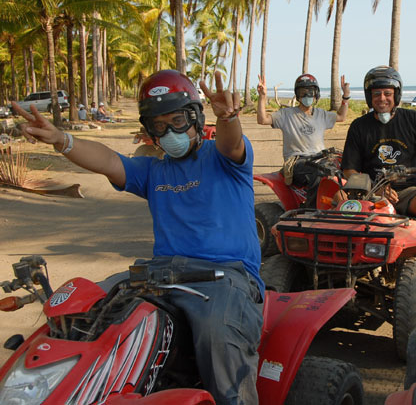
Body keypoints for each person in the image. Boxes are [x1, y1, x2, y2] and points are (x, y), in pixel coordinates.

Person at [12, 69, 264, 405]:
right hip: (158, 274)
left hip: (226, 276)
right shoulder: (153, 171)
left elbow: (232, 143)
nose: (169, 131)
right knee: (82, 309)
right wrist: (62, 140)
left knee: (219, 336)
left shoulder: (222, 158)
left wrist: (229, 117)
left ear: (196, 118)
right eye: (159, 126)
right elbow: (107, 160)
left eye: (177, 120)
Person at [341, 65, 416, 231]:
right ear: (369, 97)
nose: (382, 98)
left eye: (388, 93)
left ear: (396, 95)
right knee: (338, 198)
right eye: (376, 94)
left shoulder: (413, 119)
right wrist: (376, 189)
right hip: (371, 192)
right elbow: (349, 170)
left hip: (410, 192)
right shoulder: (359, 126)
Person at [256, 73, 349, 207]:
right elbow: (262, 120)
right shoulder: (285, 114)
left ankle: (348, 206)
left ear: (316, 94)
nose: (307, 96)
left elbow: (341, 116)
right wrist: (262, 96)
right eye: (302, 92)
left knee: (346, 167)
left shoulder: (321, 114)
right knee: (319, 172)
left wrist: (345, 96)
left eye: (310, 92)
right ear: (297, 95)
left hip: (321, 159)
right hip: (296, 162)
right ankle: (311, 211)